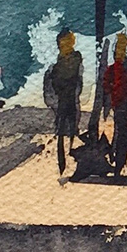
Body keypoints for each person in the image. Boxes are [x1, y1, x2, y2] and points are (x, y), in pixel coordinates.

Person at [43, 27, 84, 176]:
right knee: (62, 133)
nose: (65, 45)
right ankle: (62, 167)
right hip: (63, 102)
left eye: (68, 42)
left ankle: (69, 164)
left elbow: (78, 82)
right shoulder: (57, 66)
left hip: (70, 101)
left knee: (70, 132)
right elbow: (53, 85)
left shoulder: (75, 60)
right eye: (63, 43)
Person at [102, 31, 127, 177]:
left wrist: (112, 91)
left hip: (123, 100)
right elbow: (107, 83)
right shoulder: (118, 67)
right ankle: (117, 161)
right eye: (119, 49)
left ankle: (118, 161)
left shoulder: (125, 66)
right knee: (120, 129)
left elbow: (116, 84)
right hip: (120, 100)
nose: (119, 51)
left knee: (121, 129)